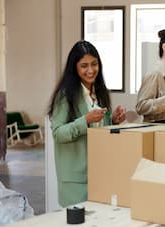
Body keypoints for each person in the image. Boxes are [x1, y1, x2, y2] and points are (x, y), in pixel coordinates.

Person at [47, 40, 125, 207]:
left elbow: (98, 131)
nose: (90, 70)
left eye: (94, 64)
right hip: (76, 180)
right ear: (74, 67)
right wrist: (85, 121)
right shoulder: (65, 95)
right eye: (84, 66)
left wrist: (113, 121)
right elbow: (58, 133)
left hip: (99, 173)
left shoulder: (100, 92)